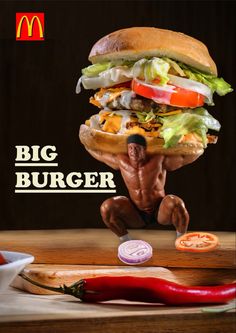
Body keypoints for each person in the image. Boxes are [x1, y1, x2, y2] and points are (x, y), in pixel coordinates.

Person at [87, 134, 201, 242]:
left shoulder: (159, 160)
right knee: (107, 207)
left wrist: (202, 141)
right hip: (136, 214)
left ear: (145, 149)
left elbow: (185, 157)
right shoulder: (121, 161)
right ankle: (126, 241)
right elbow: (98, 153)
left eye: (137, 148)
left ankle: (181, 240)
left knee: (176, 202)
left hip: (160, 211)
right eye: (130, 148)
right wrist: (85, 138)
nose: (133, 151)